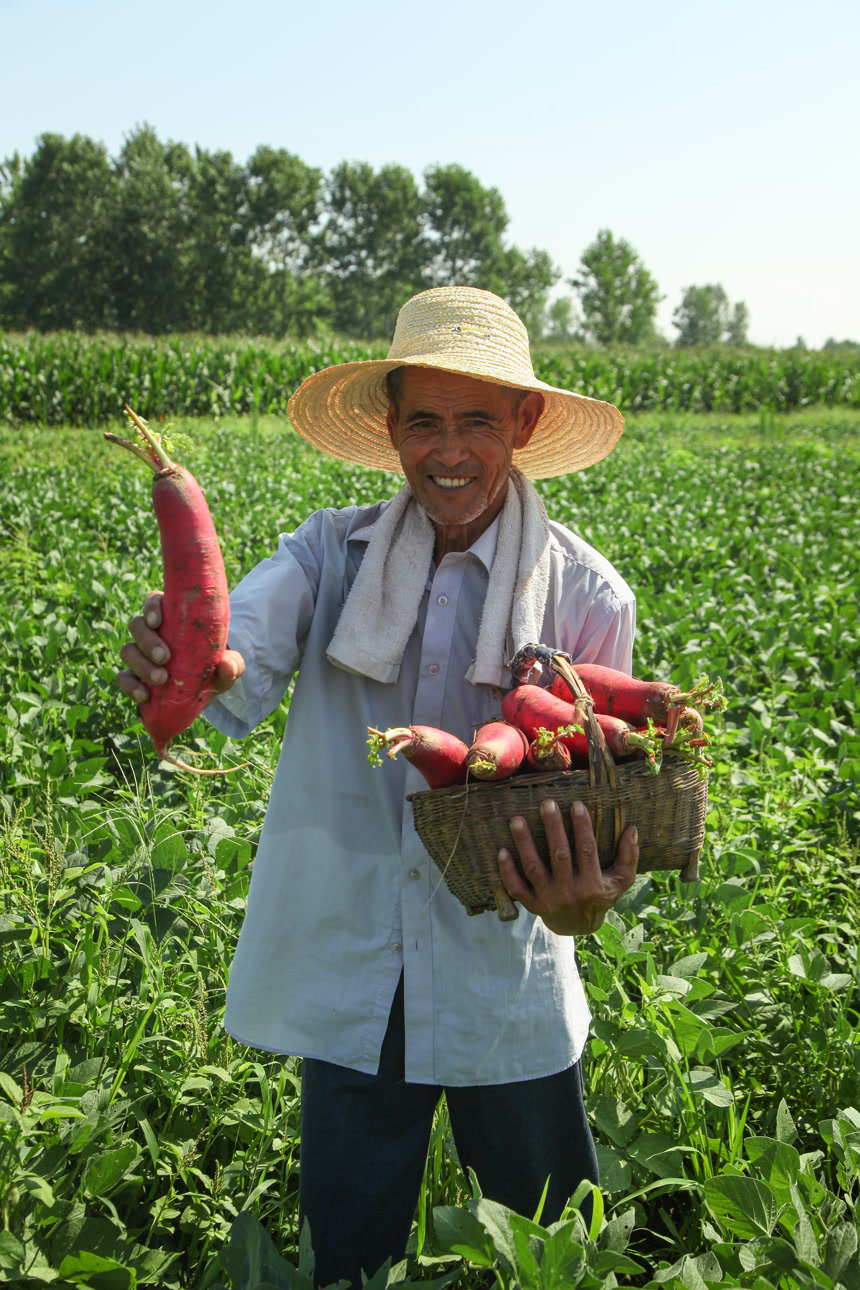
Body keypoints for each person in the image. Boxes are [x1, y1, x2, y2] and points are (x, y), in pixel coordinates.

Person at [116, 286, 640, 1286]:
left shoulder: (583, 596)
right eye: (425, 421)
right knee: (347, 1258)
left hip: (502, 977)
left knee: (550, 1256)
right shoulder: (327, 554)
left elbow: (601, 810)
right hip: (355, 967)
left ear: (524, 424)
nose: (449, 451)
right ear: (391, 428)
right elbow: (245, 650)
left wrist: (587, 904)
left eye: (477, 421)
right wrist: (194, 655)